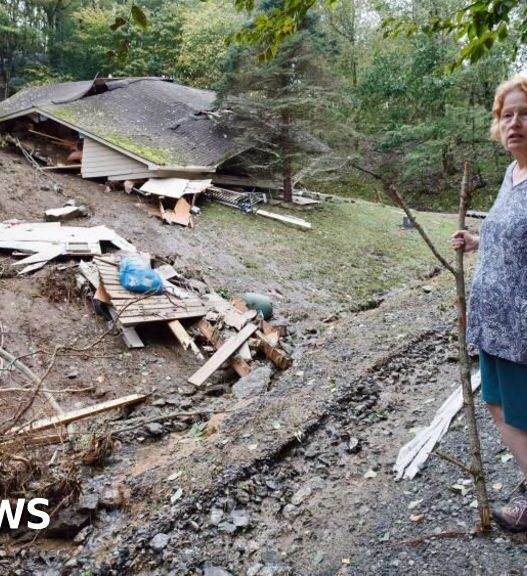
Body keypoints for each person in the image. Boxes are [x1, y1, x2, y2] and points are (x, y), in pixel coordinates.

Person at [451, 73, 527, 531]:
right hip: (491, 320)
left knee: (520, 410)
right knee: (498, 403)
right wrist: (480, 240)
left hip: (521, 326)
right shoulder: (512, 173)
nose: (515, 123)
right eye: (507, 115)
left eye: (525, 114)